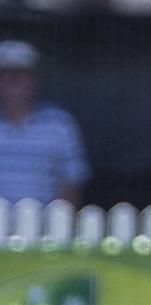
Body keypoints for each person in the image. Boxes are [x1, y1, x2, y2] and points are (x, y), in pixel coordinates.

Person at [0, 40, 91, 207]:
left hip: (46, 229)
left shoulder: (60, 124)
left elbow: (72, 181)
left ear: (35, 79)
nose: (13, 80)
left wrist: (60, 224)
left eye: (21, 73)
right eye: (5, 73)